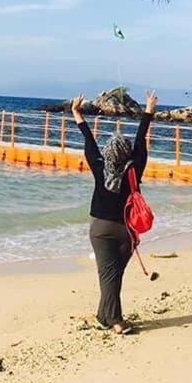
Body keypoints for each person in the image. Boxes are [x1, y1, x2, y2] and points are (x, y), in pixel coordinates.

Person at [71, 90, 157, 334]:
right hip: (126, 230)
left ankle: (104, 316)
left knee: (111, 275)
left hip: (100, 229)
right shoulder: (135, 169)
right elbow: (141, 140)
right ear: (127, 153)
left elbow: (90, 143)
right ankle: (115, 319)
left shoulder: (100, 167)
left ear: (108, 154)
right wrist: (148, 110)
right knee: (112, 275)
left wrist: (78, 114)